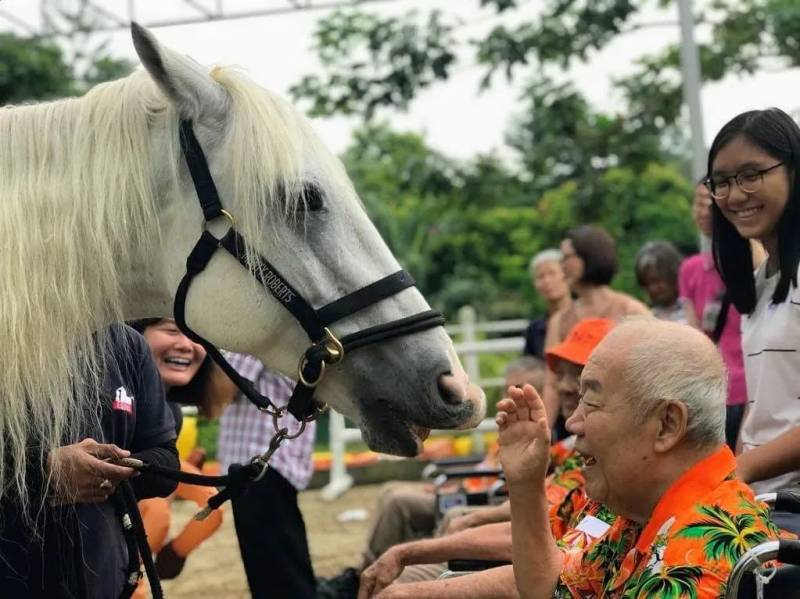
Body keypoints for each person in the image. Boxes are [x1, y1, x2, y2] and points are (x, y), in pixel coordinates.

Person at [498, 318, 779, 598]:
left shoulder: (697, 560)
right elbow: (553, 590)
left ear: (667, 425)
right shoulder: (643, 512)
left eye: (592, 403)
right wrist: (525, 484)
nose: (573, 422)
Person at [356, 319, 613, 599]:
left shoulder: (614, 488)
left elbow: (552, 569)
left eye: (585, 387)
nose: (564, 388)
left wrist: (412, 572)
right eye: (561, 376)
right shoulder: (578, 458)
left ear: (666, 425)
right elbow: (553, 553)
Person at [0, 324, 180, 599]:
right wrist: (43, 472)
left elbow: (166, 463)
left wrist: (114, 470)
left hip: (107, 584)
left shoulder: (126, 344)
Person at [705, 107, 800, 493]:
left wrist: (737, 471)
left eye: (751, 175)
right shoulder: (760, 283)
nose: (734, 195)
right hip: (766, 499)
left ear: (793, 170)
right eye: (721, 182)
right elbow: (762, 410)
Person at [129, 318, 230, 594]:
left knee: (211, 501)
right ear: (133, 334)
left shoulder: (171, 411)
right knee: (157, 511)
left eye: (196, 335)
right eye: (171, 330)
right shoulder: (117, 400)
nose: (186, 345)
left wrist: (176, 552)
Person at [217, 353, 318, 599]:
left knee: (277, 575)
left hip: (260, 463)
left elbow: (222, 388)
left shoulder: (251, 340)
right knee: (278, 566)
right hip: (269, 462)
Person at [542, 225, 649, 428]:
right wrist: (543, 431)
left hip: (622, 422)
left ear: (590, 256)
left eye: (567, 257)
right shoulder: (559, 320)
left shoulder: (630, 310)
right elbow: (551, 383)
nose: (562, 265)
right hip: (574, 425)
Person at [679, 181, 750, 451]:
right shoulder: (690, 269)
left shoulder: (756, 262)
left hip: (752, 391)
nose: (704, 209)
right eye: (698, 202)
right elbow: (694, 334)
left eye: (710, 201)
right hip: (711, 394)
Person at [522, 249, 571, 358]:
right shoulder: (534, 329)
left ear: (567, 276)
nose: (547, 281)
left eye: (552, 273)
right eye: (540, 277)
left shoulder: (585, 316)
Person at [634, 240, 691, 324]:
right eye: (646, 284)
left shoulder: (694, 309)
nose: (652, 288)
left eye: (656, 281)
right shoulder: (646, 317)